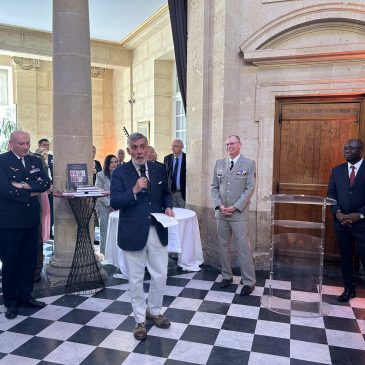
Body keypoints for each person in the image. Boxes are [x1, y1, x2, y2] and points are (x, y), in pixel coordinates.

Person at [111, 132, 173, 341]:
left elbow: (166, 193)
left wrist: (169, 207)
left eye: (142, 146)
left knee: (160, 274)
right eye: (134, 148)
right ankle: (139, 320)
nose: (139, 151)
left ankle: (154, 311)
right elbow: (115, 202)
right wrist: (134, 190)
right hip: (133, 232)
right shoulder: (120, 173)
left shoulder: (159, 169)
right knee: (136, 279)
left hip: (157, 229)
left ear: (148, 147)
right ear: (129, 150)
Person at [0, 130, 51, 319]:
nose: (26, 147)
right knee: (11, 262)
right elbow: (4, 190)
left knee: (28, 260)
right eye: (21, 144)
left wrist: (24, 186)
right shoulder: (2, 161)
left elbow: (45, 183)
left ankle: (26, 295)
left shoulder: (35, 161)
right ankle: (11, 302)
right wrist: (31, 191)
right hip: (9, 223)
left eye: (28, 143)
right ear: (11, 144)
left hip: (30, 220)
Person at [211, 135, 256, 296]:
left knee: (244, 248)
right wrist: (220, 205)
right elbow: (214, 187)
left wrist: (235, 207)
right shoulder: (219, 164)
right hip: (222, 212)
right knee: (224, 246)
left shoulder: (249, 164)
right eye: (227, 144)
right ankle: (227, 276)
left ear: (240, 145)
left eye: (232, 144)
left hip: (239, 214)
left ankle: (249, 282)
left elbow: (250, 188)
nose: (229, 146)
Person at [327, 139, 365, 302]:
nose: (346, 151)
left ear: (360, 150)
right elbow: (331, 195)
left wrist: (360, 214)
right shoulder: (337, 171)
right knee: (346, 257)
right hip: (342, 223)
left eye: (350, 148)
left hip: (362, 224)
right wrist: (338, 213)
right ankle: (349, 289)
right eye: (345, 148)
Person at [33, 147, 52, 282]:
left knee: (38, 238)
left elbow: (46, 183)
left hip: (41, 202)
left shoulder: (43, 171)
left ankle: (36, 271)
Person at [95, 154, 118, 254]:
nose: (114, 164)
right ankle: (104, 254)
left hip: (116, 207)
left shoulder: (119, 175)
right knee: (104, 232)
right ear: (107, 163)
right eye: (112, 162)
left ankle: (114, 254)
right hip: (103, 207)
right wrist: (109, 204)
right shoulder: (100, 175)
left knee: (115, 232)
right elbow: (98, 192)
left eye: (116, 162)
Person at [38, 138, 54, 238]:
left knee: (50, 213)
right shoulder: (35, 158)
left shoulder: (51, 157)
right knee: (41, 214)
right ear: (39, 145)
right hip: (41, 192)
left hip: (50, 190)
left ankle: (48, 232)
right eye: (44, 145)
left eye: (48, 145)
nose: (47, 147)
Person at [164, 138, 186, 207]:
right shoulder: (167, 158)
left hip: (182, 193)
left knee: (183, 213)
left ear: (182, 147)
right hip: (171, 193)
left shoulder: (187, 158)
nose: (172, 148)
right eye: (172, 146)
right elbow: (165, 175)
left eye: (175, 146)